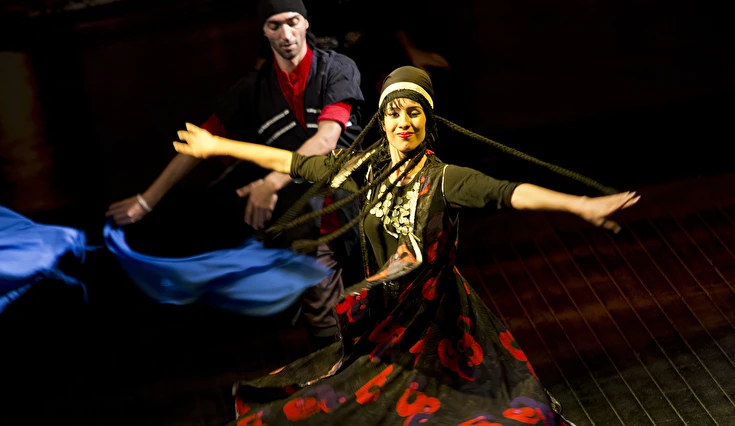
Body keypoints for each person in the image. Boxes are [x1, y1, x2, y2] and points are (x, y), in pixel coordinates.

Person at [172, 66, 639, 425]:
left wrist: (579, 205)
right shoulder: (365, 169)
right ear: (382, 119)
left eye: (413, 112)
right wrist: (218, 147)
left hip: (438, 322)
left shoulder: (444, 178)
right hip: (387, 322)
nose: (403, 123)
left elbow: (508, 192)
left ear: (427, 119)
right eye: (394, 113)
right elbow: (294, 162)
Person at [106, 0, 366, 349]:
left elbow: (326, 140)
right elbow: (199, 142)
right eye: (274, 25)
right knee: (324, 315)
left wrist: (270, 183)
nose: (286, 34)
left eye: (292, 22)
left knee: (385, 297)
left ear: (305, 23)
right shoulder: (253, 89)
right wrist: (145, 201)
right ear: (264, 31)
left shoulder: (336, 68)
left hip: (360, 201)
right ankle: (340, 373)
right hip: (307, 218)